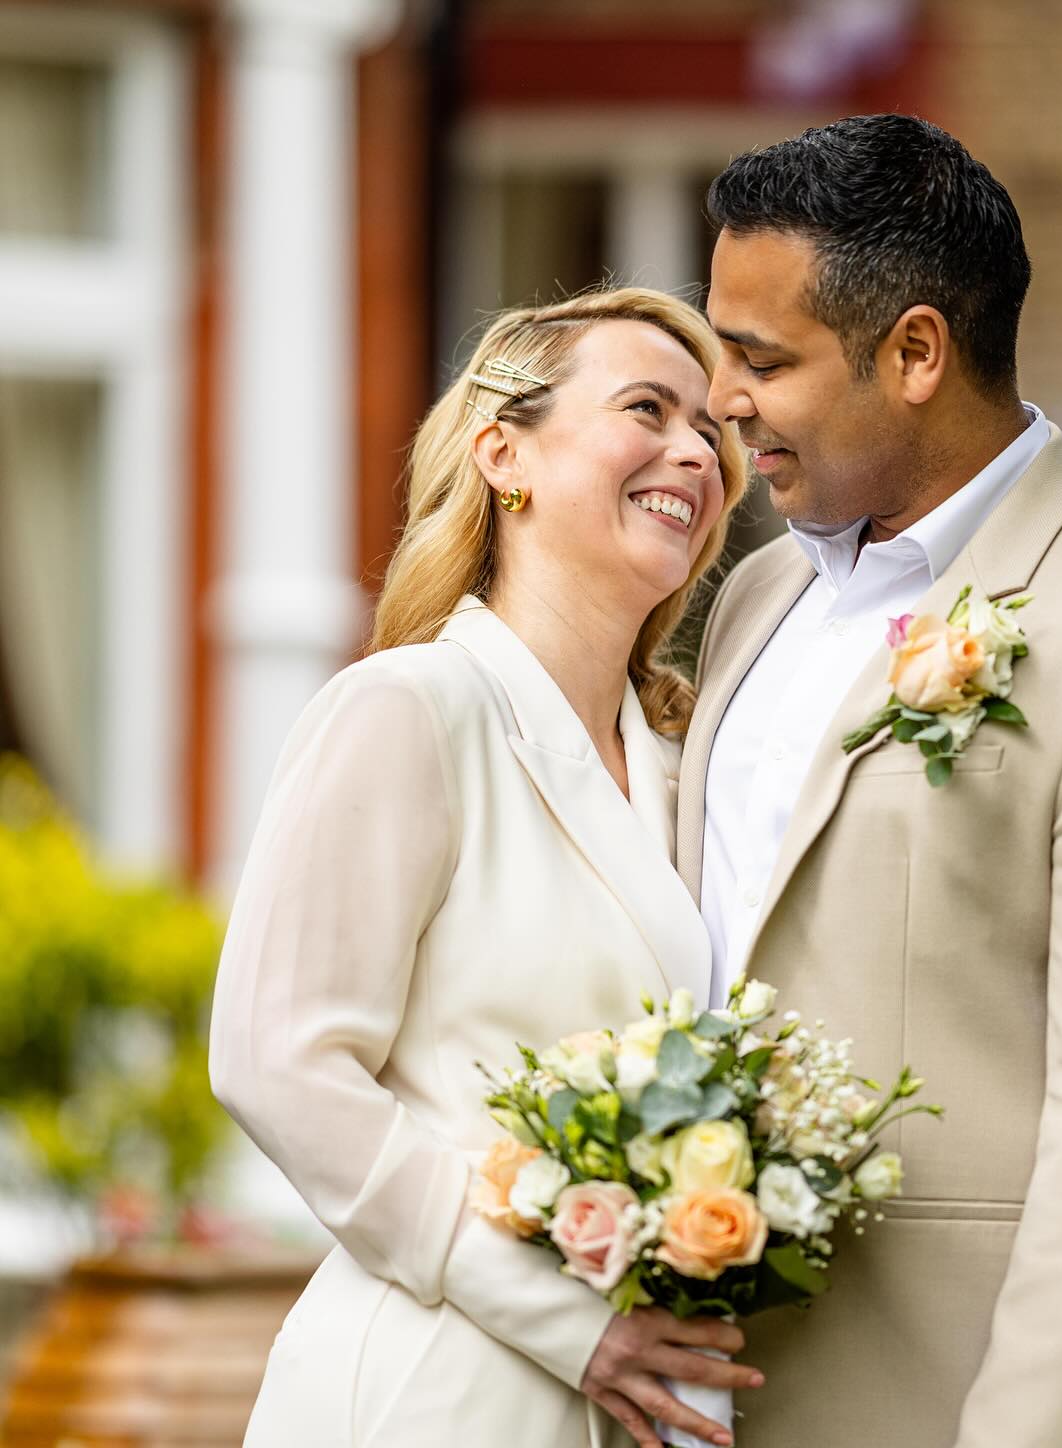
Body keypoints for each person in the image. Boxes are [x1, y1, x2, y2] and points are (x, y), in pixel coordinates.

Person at [682, 114, 1062, 1447]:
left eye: (761, 359)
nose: (722, 397)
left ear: (913, 354)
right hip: (689, 1399)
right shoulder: (754, 600)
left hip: (938, 1406)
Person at [209, 287, 759, 1448]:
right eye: (647, 408)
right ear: (504, 451)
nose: (693, 451)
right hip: (432, 1383)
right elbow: (277, 1061)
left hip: (635, 1402)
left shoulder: (690, 764)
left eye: (711, 428)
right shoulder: (408, 709)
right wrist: (557, 1314)